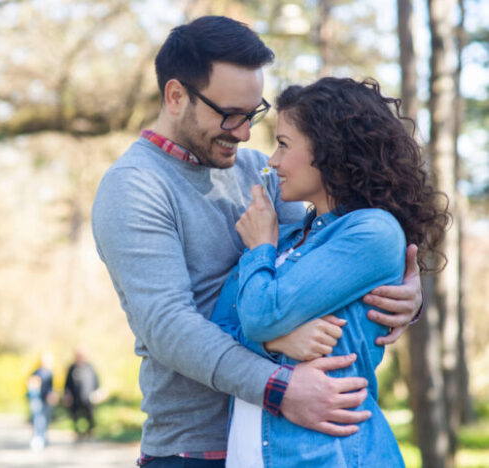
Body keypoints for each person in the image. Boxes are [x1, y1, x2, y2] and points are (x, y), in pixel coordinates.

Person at [91, 16, 423, 467]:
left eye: (253, 114)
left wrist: (400, 297)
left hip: (295, 441)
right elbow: (168, 327)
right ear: (175, 96)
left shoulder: (255, 171)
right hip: (197, 447)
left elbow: (315, 268)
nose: (245, 133)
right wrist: (278, 382)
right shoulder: (135, 187)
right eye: (229, 115)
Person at [210, 77, 449, 467]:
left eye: (284, 145)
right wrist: (273, 342)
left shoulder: (371, 231)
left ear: (328, 149)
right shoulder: (289, 238)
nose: (273, 161)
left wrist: (259, 250)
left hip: (328, 455)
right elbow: (219, 329)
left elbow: (257, 315)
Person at [63, 347, 101, 439]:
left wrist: (98, 392)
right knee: (75, 416)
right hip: (75, 398)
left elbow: (96, 381)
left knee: (90, 416)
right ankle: (78, 433)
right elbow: (67, 383)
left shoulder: (90, 367)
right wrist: (67, 394)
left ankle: (90, 432)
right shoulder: (72, 368)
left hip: (88, 398)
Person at [27, 351, 56, 450]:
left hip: (47, 400)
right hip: (38, 400)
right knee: (38, 420)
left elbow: (51, 388)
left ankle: (43, 438)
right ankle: (38, 438)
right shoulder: (37, 372)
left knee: (46, 420)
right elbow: (32, 386)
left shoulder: (50, 373)